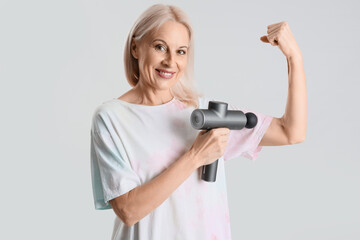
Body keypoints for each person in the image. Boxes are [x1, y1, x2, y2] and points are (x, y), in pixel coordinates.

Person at [90, 3, 306, 240]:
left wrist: (294, 57)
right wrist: (196, 156)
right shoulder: (112, 118)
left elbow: (291, 132)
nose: (171, 62)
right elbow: (128, 210)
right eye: (160, 47)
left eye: (181, 51)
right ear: (135, 47)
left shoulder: (207, 113)